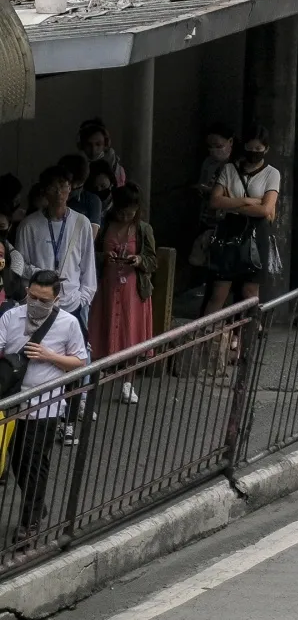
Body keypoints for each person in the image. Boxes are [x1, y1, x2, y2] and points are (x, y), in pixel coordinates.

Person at [1, 270, 90, 546]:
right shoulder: (10, 317)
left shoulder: (68, 323)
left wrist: (50, 356)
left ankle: (30, 522)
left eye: (44, 299)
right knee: (15, 462)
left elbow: (80, 361)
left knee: (34, 464)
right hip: (13, 403)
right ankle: (38, 506)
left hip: (45, 406)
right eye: (33, 297)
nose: (37, 303)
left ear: (56, 298)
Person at [204, 127, 281, 314]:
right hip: (229, 231)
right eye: (250, 148)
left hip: (256, 234)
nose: (253, 153)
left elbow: (265, 209)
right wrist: (246, 202)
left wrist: (230, 204)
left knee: (250, 290)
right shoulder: (229, 169)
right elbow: (214, 200)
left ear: (266, 149)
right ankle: (206, 336)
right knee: (219, 289)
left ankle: (245, 337)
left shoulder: (272, 173)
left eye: (258, 149)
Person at [89, 187, 155, 396]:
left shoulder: (143, 229)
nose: (126, 217)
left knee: (131, 332)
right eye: (122, 212)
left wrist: (139, 260)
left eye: (130, 213)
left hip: (132, 289)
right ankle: (96, 377)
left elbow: (153, 261)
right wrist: (104, 256)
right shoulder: (106, 225)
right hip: (107, 286)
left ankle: (128, 381)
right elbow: (93, 253)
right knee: (100, 329)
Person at [16, 171, 96, 327]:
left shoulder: (82, 223)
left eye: (63, 186)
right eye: (53, 187)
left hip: (73, 304)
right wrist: (37, 278)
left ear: (70, 188)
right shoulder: (29, 225)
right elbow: (19, 265)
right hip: (39, 303)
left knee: (73, 350)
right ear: (45, 191)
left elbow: (88, 266)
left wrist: (83, 300)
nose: (59, 192)